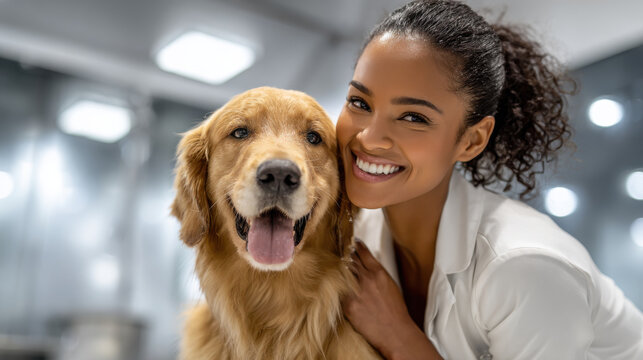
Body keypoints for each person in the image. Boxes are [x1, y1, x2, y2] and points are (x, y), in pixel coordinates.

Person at [337, 1, 643, 359]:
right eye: (359, 102)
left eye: (413, 117)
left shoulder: (525, 266)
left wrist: (398, 334)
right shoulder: (353, 237)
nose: (369, 138)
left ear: (472, 140)